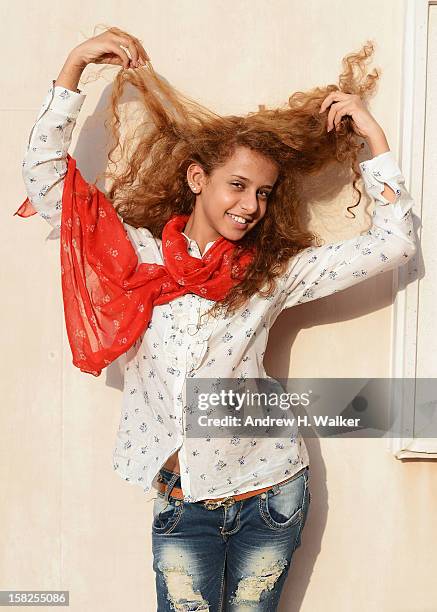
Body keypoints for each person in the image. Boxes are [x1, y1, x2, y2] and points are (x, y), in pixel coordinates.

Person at [17, 26, 416, 612]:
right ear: (196, 179)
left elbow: (396, 244)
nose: (250, 206)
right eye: (237, 185)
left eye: (263, 192)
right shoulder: (139, 258)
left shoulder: (271, 273)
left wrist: (374, 139)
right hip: (184, 500)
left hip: (272, 491)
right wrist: (74, 65)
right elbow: (48, 179)